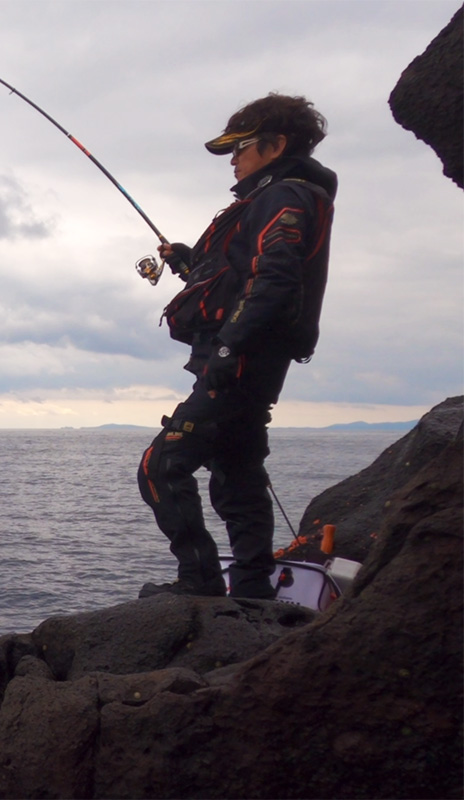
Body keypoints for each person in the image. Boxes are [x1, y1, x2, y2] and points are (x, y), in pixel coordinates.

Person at [137, 93, 336, 600]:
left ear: (276, 145)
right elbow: (240, 276)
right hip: (252, 361)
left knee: (161, 467)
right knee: (237, 471)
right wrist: (189, 262)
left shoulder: (284, 196)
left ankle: (200, 583)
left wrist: (228, 350)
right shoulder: (278, 197)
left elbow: (276, 278)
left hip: (240, 362)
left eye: (240, 147)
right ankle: (250, 586)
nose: (233, 158)